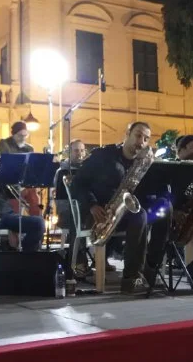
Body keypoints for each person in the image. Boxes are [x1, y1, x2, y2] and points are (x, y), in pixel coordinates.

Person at [70, 121, 170, 295]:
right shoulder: (103, 155)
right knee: (140, 215)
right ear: (127, 134)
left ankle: (151, 267)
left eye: (146, 139)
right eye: (138, 135)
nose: (141, 142)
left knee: (165, 206)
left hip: (126, 214)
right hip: (99, 214)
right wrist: (92, 204)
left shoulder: (142, 163)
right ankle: (132, 278)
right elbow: (78, 184)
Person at [53, 139, 88, 273]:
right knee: (77, 218)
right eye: (76, 150)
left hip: (84, 208)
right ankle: (78, 263)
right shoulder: (62, 171)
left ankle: (104, 258)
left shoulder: (88, 168)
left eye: (82, 150)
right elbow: (61, 200)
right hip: (67, 211)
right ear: (69, 153)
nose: (80, 153)